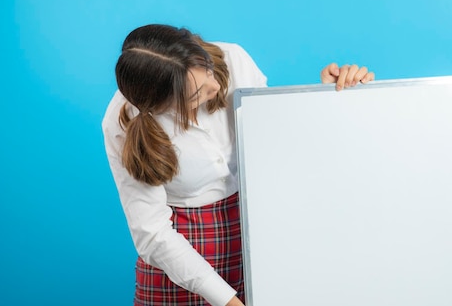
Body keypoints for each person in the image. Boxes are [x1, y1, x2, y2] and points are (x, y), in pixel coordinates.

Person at [102, 24, 375, 306]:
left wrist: (327, 95)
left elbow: (274, 143)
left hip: (260, 237)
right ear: (161, 107)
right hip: (179, 256)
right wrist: (228, 300)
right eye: (195, 96)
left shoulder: (232, 59)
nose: (217, 86)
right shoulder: (123, 121)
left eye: (206, 69)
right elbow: (153, 234)